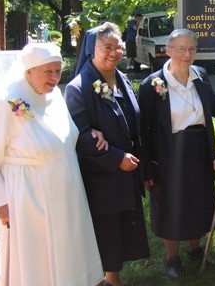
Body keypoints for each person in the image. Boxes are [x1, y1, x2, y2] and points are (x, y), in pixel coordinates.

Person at [0, 43, 104, 286]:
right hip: (29, 196)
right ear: (29, 71)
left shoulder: (54, 94)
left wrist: (92, 134)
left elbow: (67, 136)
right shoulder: (8, 102)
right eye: (49, 71)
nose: (55, 77)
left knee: (70, 250)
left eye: (58, 71)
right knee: (38, 259)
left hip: (66, 188)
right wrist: (1, 203)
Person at [138, 28, 215, 279]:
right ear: (168, 51)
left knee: (199, 198)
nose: (187, 54)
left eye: (192, 49)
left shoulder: (200, 75)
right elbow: (144, 131)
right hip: (168, 150)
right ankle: (172, 258)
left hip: (199, 146)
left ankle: (196, 250)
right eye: (181, 49)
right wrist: (147, 167)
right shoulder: (152, 84)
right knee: (171, 201)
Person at [65, 22, 150, 286]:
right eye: (107, 47)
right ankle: (104, 279)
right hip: (101, 175)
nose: (114, 53)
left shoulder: (121, 77)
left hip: (126, 171)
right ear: (92, 50)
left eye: (119, 47)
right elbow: (82, 137)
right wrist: (116, 158)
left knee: (122, 226)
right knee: (106, 229)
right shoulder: (78, 88)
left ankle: (113, 278)